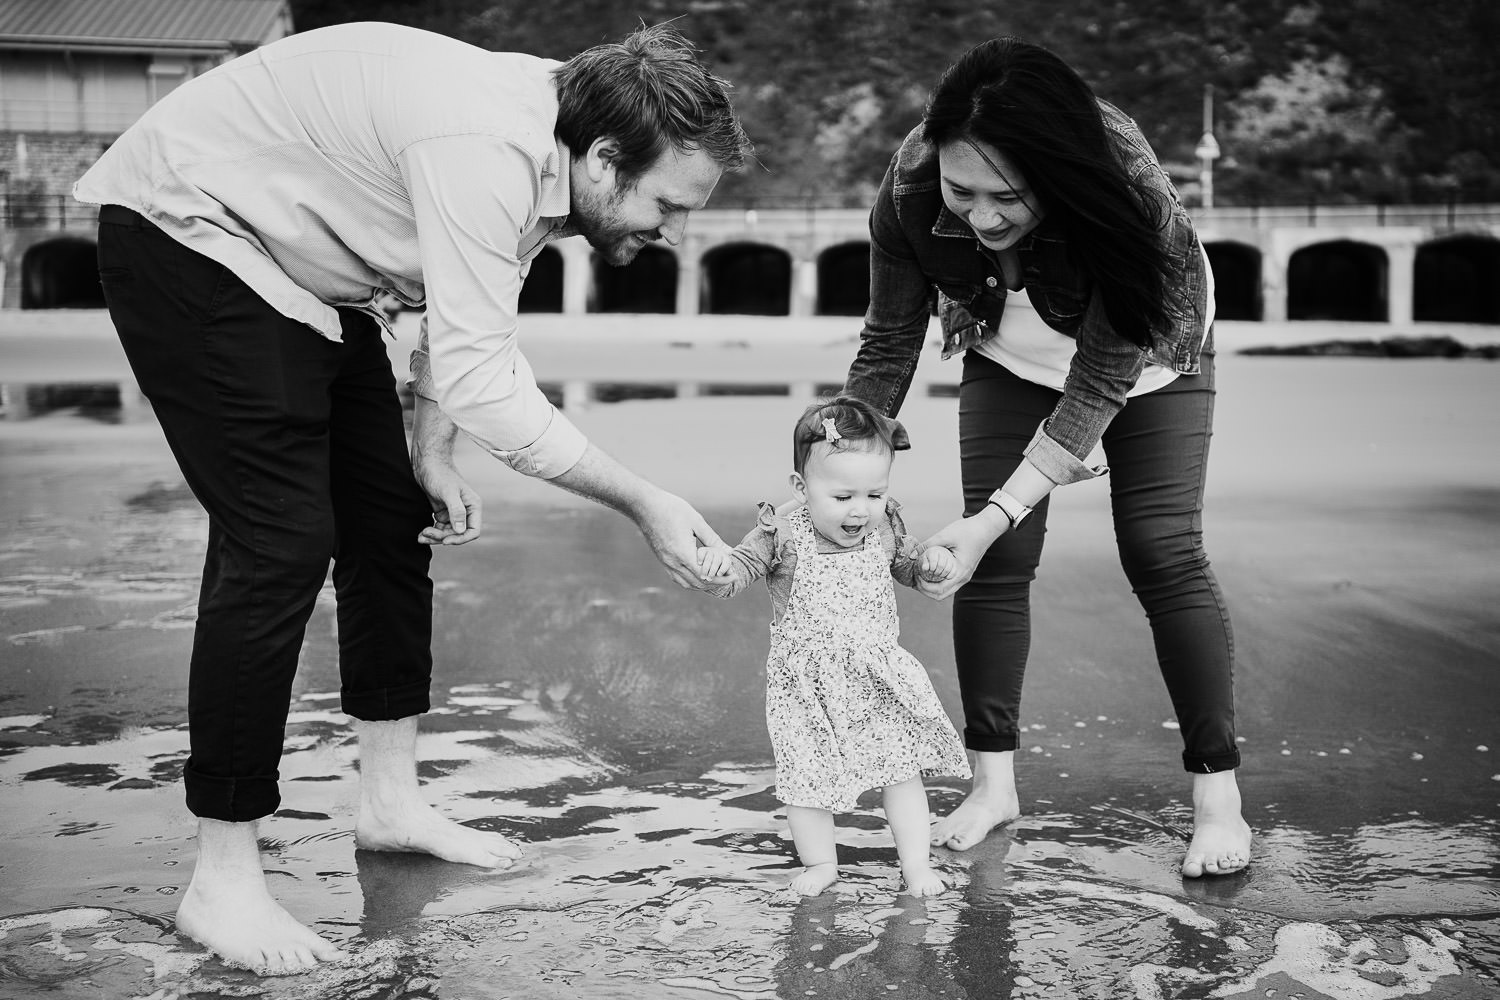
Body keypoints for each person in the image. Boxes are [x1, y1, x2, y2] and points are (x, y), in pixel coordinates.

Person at [73, 21, 750, 975]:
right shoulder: (486, 145)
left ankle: (390, 804)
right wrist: (642, 499)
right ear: (604, 158)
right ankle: (221, 876)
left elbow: (467, 309)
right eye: (668, 205)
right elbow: (487, 377)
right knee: (280, 541)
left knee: (394, 516)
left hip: (311, 273)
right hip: (189, 232)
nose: (673, 232)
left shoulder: (553, 150)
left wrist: (431, 449)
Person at [841, 37, 1252, 878]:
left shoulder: (1128, 194)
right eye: (965, 192)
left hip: (1148, 360)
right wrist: (834, 471)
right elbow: (889, 340)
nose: (983, 218)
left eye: (1009, 197)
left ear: (1058, 177)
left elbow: (1101, 378)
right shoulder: (913, 184)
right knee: (988, 568)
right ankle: (994, 787)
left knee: (1160, 550)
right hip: (1006, 351)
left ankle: (1219, 801)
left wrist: (998, 511)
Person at [697, 397, 971, 897]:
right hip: (804, 686)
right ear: (801, 489)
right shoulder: (780, 535)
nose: (860, 509)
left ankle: (916, 867)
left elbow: (909, 564)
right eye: (843, 497)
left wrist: (932, 561)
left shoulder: (883, 526)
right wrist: (719, 569)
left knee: (901, 772)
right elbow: (739, 571)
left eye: (874, 494)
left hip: (877, 678)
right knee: (806, 781)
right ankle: (821, 864)